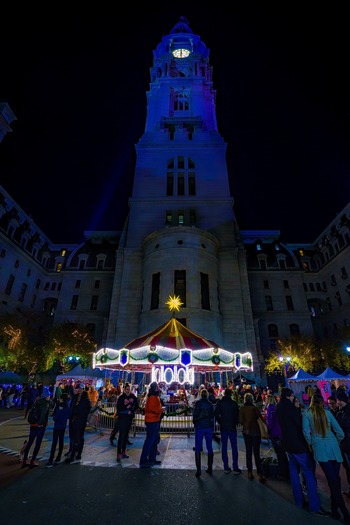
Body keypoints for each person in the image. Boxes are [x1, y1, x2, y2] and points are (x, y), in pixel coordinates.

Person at [275, 387, 328, 517]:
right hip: (298, 444)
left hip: (287, 444)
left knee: (293, 471)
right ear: (289, 396)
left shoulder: (279, 407)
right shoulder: (291, 409)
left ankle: (298, 500)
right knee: (308, 472)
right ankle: (314, 506)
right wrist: (298, 409)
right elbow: (300, 424)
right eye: (292, 396)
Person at [303, 393, 350, 523]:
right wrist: (336, 441)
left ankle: (344, 513)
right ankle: (335, 511)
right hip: (334, 448)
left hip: (320, 449)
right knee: (335, 480)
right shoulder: (328, 414)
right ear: (322, 402)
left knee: (333, 481)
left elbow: (306, 432)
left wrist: (312, 443)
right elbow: (340, 432)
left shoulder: (307, 414)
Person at [239, 392, 266, 483]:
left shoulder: (242, 409)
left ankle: (249, 471)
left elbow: (240, 421)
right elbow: (260, 419)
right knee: (257, 453)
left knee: (248, 452)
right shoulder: (255, 409)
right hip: (256, 432)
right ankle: (260, 472)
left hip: (246, 432)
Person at [214, 388, 241, 474]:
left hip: (224, 427)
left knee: (224, 447)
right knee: (234, 447)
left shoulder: (220, 403)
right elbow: (237, 415)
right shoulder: (234, 404)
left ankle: (226, 466)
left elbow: (216, 414)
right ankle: (235, 466)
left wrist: (220, 422)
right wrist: (235, 422)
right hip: (232, 427)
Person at [21, 391, 50, 468]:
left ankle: (25, 460)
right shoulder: (46, 404)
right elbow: (43, 415)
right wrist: (41, 423)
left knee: (30, 442)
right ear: (46, 396)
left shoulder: (36, 402)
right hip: (40, 426)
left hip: (33, 424)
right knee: (38, 443)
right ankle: (33, 460)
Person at [65, 383, 91, 464]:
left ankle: (75, 453)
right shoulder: (75, 398)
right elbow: (72, 407)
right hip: (74, 420)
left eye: (80, 389)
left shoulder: (85, 399)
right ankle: (75, 452)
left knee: (78, 437)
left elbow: (86, 410)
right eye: (78, 388)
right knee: (75, 436)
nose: (79, 390)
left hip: (79, 420)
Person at [139, 381, 164, 468]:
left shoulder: (155, 396)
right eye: (157, 387)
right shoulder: (153, 397)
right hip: (152, 421)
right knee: (150, 440)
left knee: (153, 441)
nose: (158, 388)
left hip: (155, 420)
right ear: (154, 388)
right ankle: (143, 460)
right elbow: (152, 409)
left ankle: (152, 458)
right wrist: (161, 410)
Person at [265, 393, 290, 480]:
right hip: (280, 432)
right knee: (282, 452)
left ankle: (283, 472)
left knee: (279, 453)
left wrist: (268, 431)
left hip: (274, 433)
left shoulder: (270, 409)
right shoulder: (276, 408)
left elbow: (269, 422)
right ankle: (286, 470)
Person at [193, 388, 215, 477]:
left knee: (198, 447)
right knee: (209, 447)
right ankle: (210, 467)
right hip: (208, 427)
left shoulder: (198, 403)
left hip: (199, 427)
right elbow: (212, 415)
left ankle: (198, 470)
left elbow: (195, 414)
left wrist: (195, 421)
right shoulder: (210, 405)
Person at [116, 383, 139, 462]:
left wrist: (132, 410)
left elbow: (136, 405)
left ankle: (123, 451)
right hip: (122, 419)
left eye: (129, 389)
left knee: (126, 436)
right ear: (124, 390)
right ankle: (119, 453)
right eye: (126, 389)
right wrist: (126, 411)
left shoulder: (133, 397)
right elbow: (119, 408)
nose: (128, 391)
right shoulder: (121, 398)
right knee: (122, 435)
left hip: (129, 419)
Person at [46, 393, 71, 467]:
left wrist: (55, 418)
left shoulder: (59, 406)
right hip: (63, 425)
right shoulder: (67, 407)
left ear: (62, 399)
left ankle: (51, 459)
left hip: (57, 425)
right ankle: (58, 456)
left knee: (54, 442)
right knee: (61, 441)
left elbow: (55, 416)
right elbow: (69, 415)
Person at [335, 391, 350, 498]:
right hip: (346, 443)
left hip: (347, 444)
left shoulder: (345, 413)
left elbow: (344, 425)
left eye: (338, 401)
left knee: (349, 468)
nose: (337, 403)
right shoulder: (342, 412)